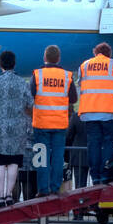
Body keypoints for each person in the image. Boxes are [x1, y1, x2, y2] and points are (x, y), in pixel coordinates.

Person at [0, 51, 32, 204]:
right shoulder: (21, 83)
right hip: (17, 129)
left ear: (0, 65)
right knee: (14, 162)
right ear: (14, 64)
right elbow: (30, 103)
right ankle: (8, 195)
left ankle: (0, 196)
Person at [76, 43, 113, 187]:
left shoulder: (84, 65)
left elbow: (79, 83)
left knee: (93, 144)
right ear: (109, 53)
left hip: (89, 112)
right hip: (110, 112)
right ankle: (105, 173)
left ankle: (95, 176)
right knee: (110, 143)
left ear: (95, 53)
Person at [30, 45, 76, 194]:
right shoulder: (67, 76)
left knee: (41, 158)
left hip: (41, 124)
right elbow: (74, 98)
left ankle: (43, 189)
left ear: (45, 58)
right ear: (59, 59)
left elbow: (29, 96)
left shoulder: (37, 75)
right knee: (57, 158)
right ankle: (55, 188)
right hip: (59, 124)